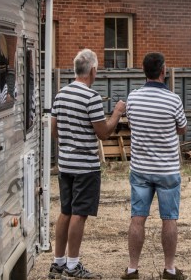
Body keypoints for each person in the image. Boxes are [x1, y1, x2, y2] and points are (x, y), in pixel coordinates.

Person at [49, 49, 126, 279]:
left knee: (65, 211)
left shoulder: (60, 94)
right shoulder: (91, 98)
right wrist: (117, 113)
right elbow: (103, 133)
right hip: (85, 166)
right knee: (79, 214)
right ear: (92, 70)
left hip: (65, 164)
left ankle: (58, 262)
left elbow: (54, 130)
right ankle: (73, 265)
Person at [121, 52, 188, 280]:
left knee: (137, 218)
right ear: (163, 70)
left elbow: (132, 123)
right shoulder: (173, 100)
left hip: (140, 169)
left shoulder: (133, 98)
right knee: (169, 219)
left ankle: (132, 268)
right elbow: (182, 128)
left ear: (144, 71)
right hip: (167, 170)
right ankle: (169, 269)